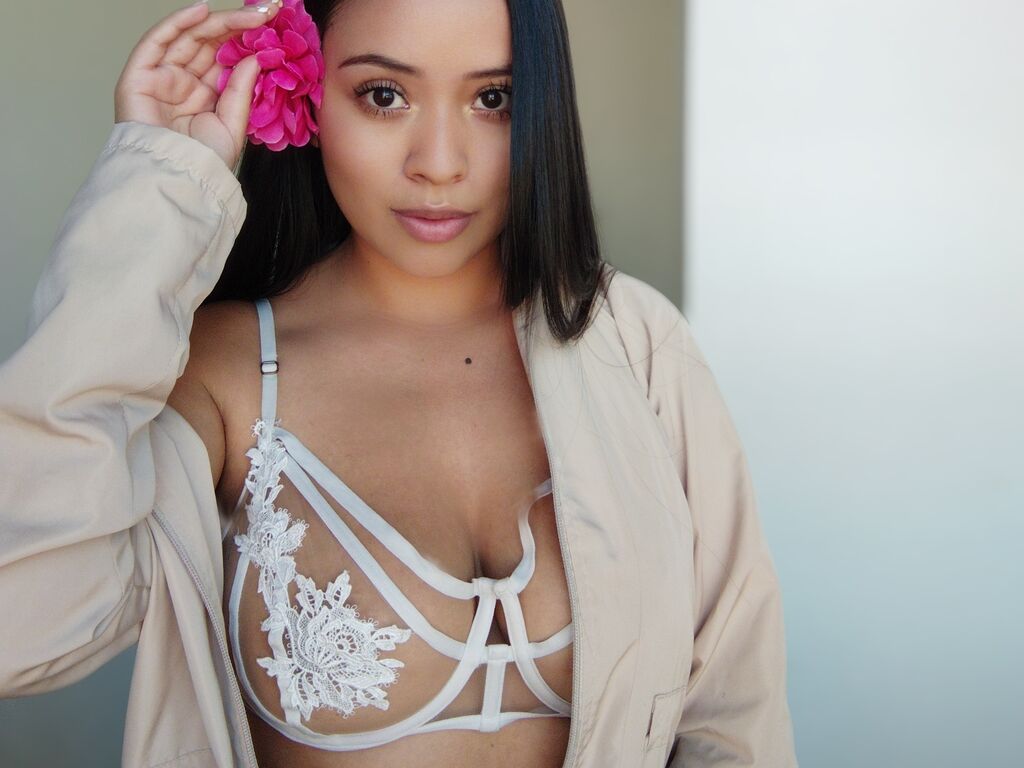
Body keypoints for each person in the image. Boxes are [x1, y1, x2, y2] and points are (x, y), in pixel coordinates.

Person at [0, 0, 798, 766]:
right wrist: (160, 186)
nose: (440, 163)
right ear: (307, 95)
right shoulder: (221, 373)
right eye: (384, 95)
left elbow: (735, 717)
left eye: (494, 98)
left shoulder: (634, 343)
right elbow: (23, 629)